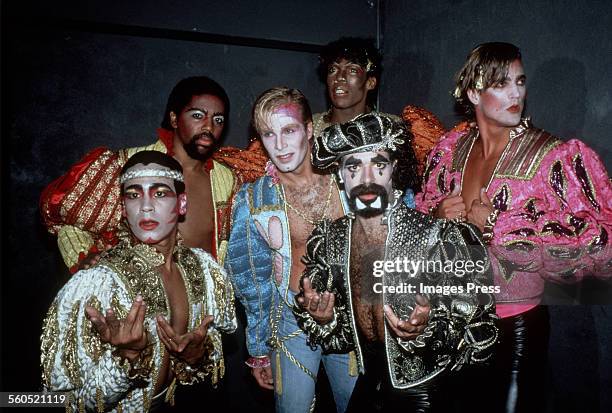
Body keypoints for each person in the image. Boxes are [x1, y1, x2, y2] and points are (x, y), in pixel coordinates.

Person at [415, 42, 612, 412]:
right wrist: (437, 218)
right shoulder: (451, 148)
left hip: (517, 325)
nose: (516, 93)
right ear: (474, 92)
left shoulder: (551, 156)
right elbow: (420, 232)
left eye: (519, 82)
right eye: (501, 84)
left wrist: (500, 229)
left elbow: (598, 251)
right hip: (451, 325)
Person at [295, 112, 497, 412]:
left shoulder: (435, 237)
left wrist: (428, 330)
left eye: (378, 165)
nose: (366, 180)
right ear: (340, 174)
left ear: (394, 169)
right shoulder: (333, 242)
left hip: (425, 392)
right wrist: (326, 319)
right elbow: (342, 338)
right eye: (353, 167)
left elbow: (482, 330)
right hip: (368, 383)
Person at [41, 151, 237, 412]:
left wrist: (196, 356)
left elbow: (212, 372)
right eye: (134, 195)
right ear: (123, 208)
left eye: (159, 193)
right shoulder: (96, 284)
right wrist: (126, 358)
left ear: (181, 204)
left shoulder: (202, 268)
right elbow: (60, 403)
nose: (146, 206)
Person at [40, 76, 266, 273]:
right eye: (198, 116)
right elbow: (69, 224)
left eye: (218, 120)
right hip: (140, 307)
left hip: (204, 312)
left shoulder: (228, 180)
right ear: (175, 119)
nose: (209, 127)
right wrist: (83, 258)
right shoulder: (128, 166)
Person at [224, 87, 357, 412]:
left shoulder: (350, 180)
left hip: (350, 319)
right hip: (291, 320)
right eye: (269, 134)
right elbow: (252, 283)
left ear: (309, 129)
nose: (279, 145)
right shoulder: (254, 200)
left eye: (289, 130)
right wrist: (258, 350)